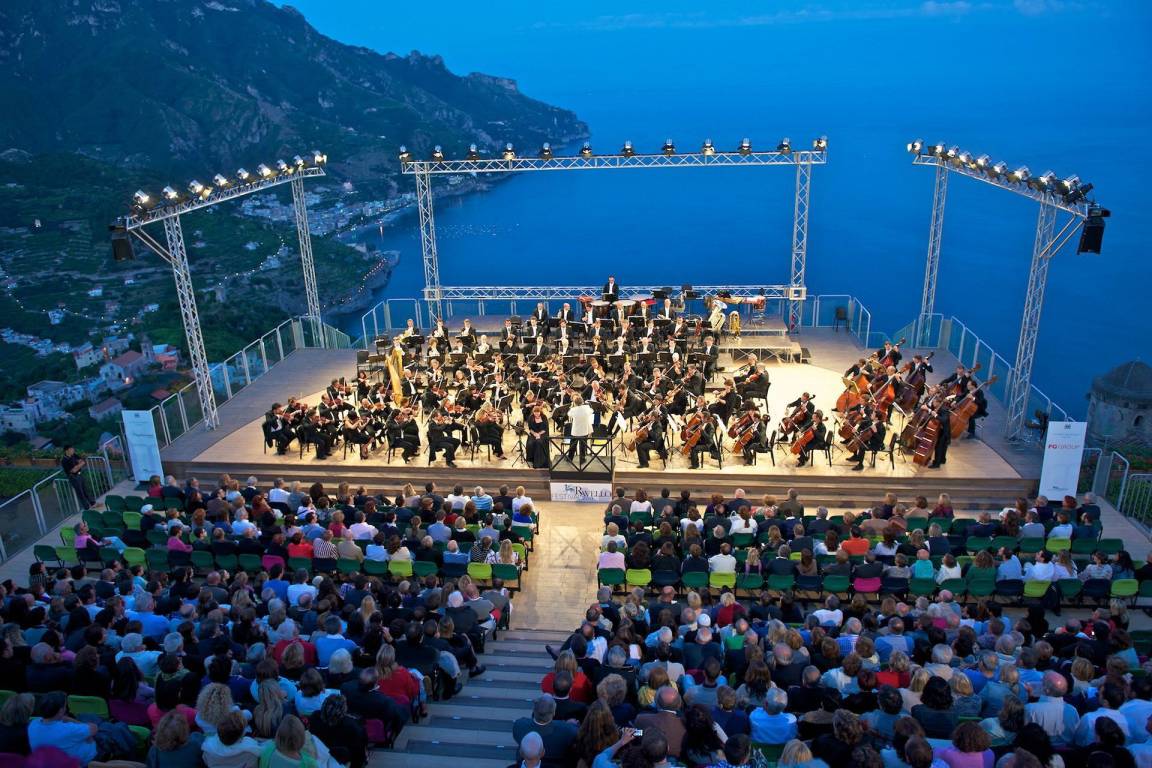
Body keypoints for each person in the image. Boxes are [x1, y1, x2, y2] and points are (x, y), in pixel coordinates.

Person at [567, 395, 594, 464]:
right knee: (583, 446)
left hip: (575, 431)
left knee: (572, 445)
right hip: (584, 430)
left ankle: (570, 458)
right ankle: (582, 459)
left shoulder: (573, 409)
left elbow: (569, 414)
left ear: (575, 403)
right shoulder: (586, 408)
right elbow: (592, 411)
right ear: (582, 402)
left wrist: (572, 406)